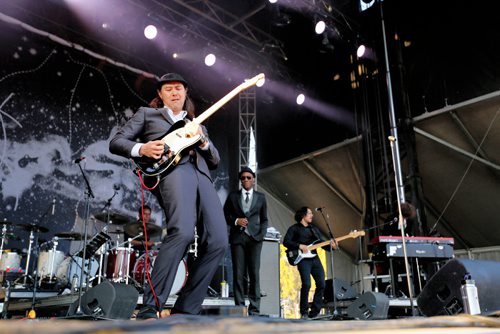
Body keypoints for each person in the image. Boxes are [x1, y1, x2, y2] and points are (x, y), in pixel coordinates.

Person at [109, 72, 228, 319]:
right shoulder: (147, 114)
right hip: (175, 173)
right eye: (169, 89)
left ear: (185, 94)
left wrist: (204, 142)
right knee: (182, 232)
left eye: (179, 89)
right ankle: (152, 305)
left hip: (203, 178)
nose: (175, 92)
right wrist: (141, 148)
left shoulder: (198, 124)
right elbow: (116, 141)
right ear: (160, 95)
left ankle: (187, 307)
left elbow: (215, 160)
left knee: (218, 241)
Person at [223, 166, 268, 316]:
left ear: (253, 179)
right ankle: (240, 308)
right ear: (240, 181)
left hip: (255, 239)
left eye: (249, 177)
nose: (246, 180)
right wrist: (236, 221)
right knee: (238, 273)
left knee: (254, 273)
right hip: (238, 239)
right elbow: (225, 215)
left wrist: (261, 234)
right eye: (243, 178)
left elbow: (264, 219)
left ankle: (254, 309)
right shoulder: (232, 196)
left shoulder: (261, 197)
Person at [283, 206, 334, 320]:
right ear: (303, 216)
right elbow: (286, 241)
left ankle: (315, 312)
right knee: (306, 284)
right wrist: (299, 245)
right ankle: (304, 312)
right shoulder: (294, 229)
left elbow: (320, 243)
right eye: (310, 213)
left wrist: (332, 246)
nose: (312, 215)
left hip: (314, 258)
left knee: (322, 283)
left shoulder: (314, 229)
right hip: (303, 259)